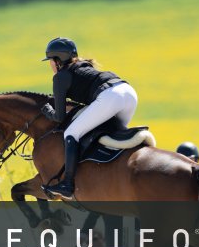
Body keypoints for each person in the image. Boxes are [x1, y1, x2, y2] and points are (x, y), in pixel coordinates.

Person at [40, 37, 138, 199]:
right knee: (112, 136)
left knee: (71, 133)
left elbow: (59, 117)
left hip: (110, 96)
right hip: (128, 92)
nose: (50, 64)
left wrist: (48, 111)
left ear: (58, 60)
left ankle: (67, 184)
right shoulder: (84, 66)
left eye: (50, 60)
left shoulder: (60, 76)